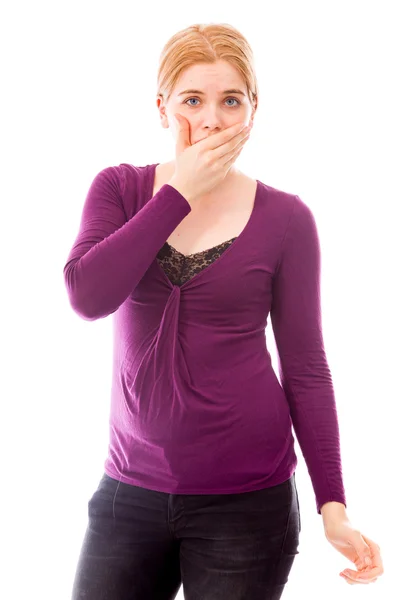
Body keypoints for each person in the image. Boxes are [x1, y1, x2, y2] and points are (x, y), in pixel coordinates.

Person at [64, 22, 383, 600]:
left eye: (230, 101)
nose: (212, 119)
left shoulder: (288, 219)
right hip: (127, 495)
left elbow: (306, 368)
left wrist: (332, 506)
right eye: (193, 100)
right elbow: (88, 298)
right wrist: (179, 193)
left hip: (246, 507)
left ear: (252, 111)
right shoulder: (119, 190)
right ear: (161, 108)